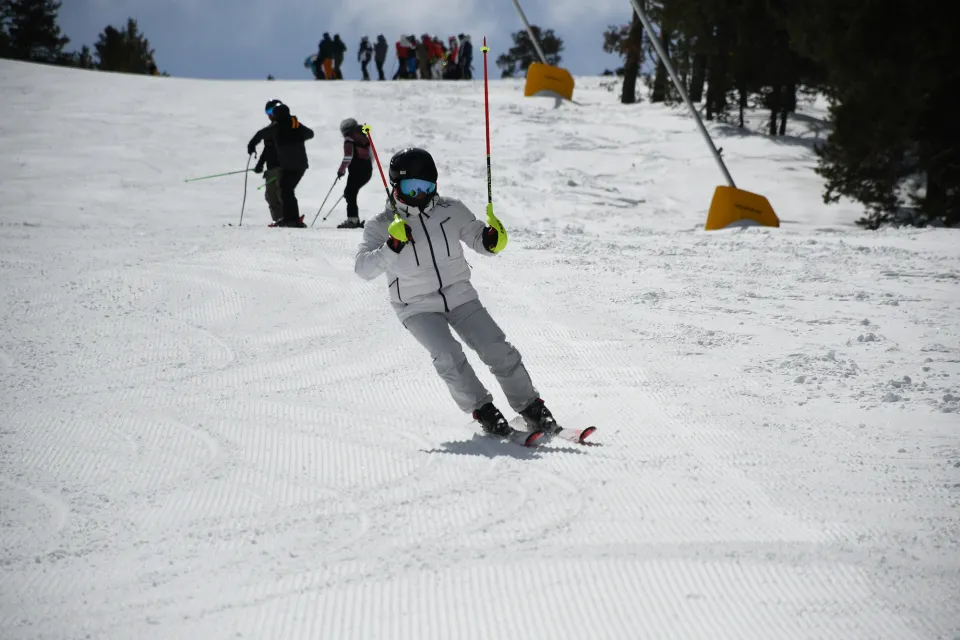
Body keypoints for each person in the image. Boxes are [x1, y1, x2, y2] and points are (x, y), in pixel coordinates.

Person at [353, 147, 559, 438]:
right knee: (448, 355)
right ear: (396, 185)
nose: (420, 194)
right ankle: (483, 410)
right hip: (415, 306)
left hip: (460, 295)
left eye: (427, 187)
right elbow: (362, 269)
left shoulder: (451, 210)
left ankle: (531, 407)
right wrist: (392, 245)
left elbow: (479, 240)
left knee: (497, 348)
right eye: (412, 187)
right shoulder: (381, 224)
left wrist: (492, 240)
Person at [247, 103, 314, 228]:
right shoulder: (295, 124)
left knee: (286, 189)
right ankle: (292, 219)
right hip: (300, 164)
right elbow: (310, 133)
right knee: (286, 189)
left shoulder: (277, 126)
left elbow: (261, 134)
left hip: (290, 164)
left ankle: (291, 219)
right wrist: (297, 136)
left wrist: (251, 145)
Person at [335, 118, 372, 229]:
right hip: (366, 170)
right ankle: (353, 219)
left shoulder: (349, 140)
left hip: (356, 171)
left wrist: (341, 170)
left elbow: (348, 157)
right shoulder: (364, 139)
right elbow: (370, 155)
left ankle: (352, 220)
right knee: (350, 192)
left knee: (350, 193)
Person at [252, 99, 284, 224]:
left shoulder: (286, 127)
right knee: (270, 195)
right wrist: (260, 164)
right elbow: (267, 149)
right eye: (268, 112)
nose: (270, 115)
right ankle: (278, 219)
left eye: (272, 111)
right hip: (271, 169)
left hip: (282, 167)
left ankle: (289, 218)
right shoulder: (270, 130)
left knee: (281, 193)